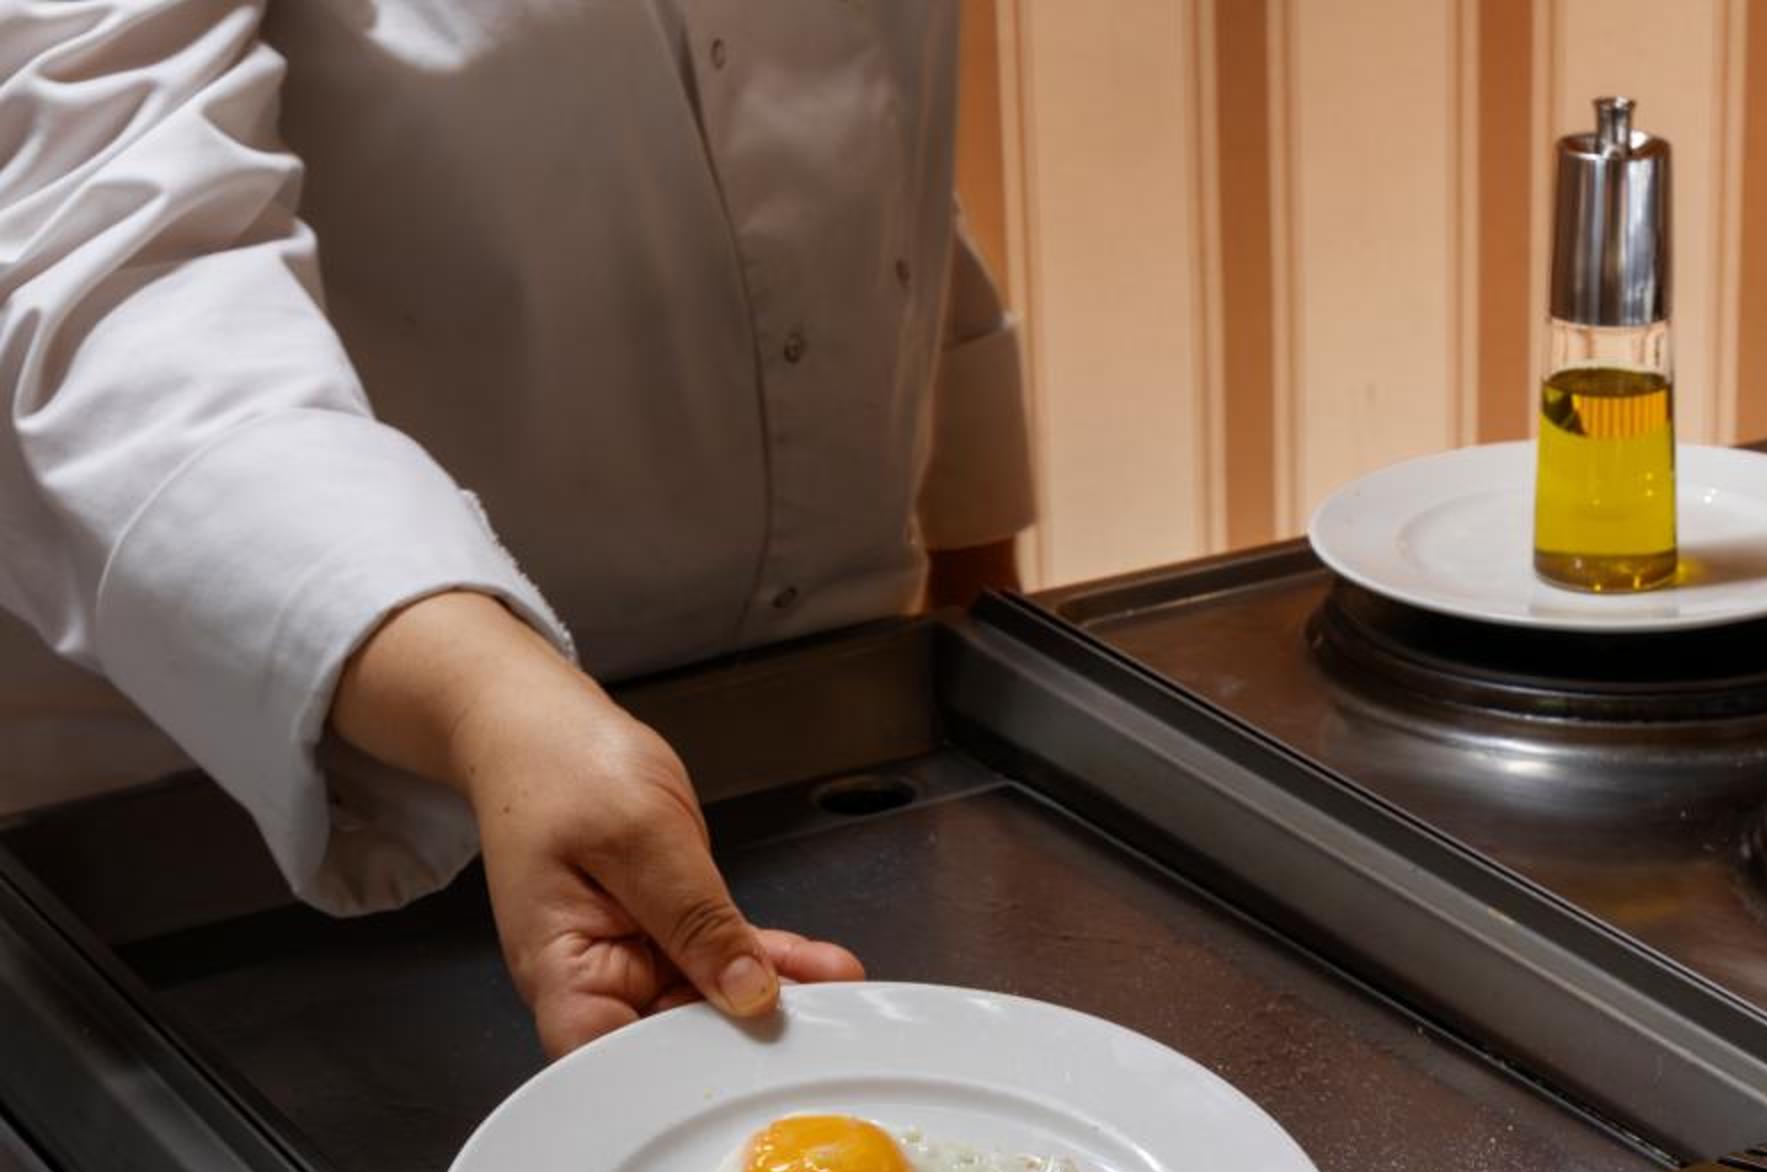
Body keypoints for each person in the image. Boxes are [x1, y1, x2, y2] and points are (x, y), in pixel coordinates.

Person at [0, 2, 1033, 1054]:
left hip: (841, 751)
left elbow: (866, 149)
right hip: (278, 834)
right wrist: (491, 704)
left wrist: (990, 626)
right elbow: (110, 270)